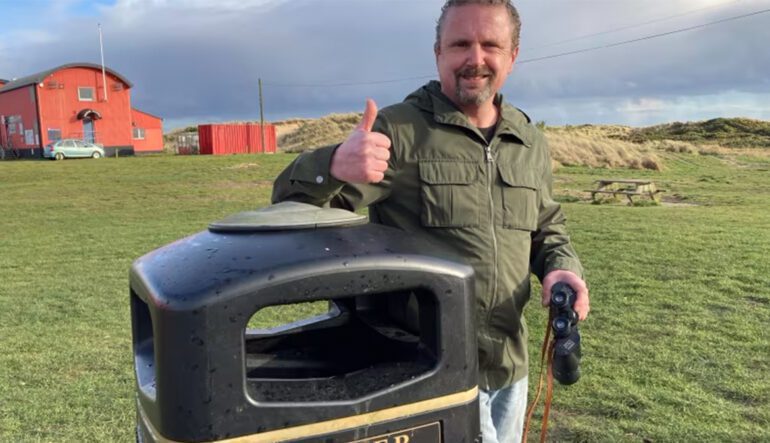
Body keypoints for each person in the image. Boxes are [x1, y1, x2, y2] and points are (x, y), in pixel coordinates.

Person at [271, 0, 590, 441]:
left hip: (509, 366)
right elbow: (291, 205)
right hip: (431, 372)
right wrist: (334, 165)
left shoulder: (527, 139)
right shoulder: (400, 131)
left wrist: (562, 268)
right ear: (438, 52)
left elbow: (546, 224)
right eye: (461, 43)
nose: (475, 58)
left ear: (512, 56)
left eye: (490, 45)